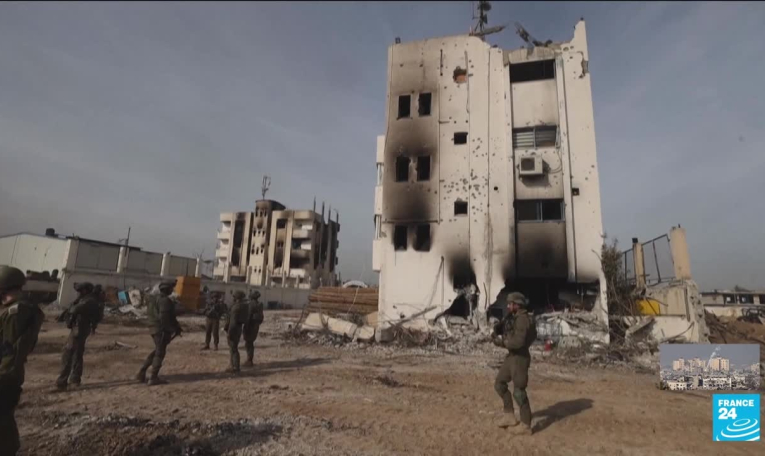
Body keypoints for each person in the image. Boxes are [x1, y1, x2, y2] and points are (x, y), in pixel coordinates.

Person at [0, 266, 44, 456]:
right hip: (9, 374)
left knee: (3, 420)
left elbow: (11, 351)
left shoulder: (16, 313)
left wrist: (3, 378)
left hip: (5, 376)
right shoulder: (18, 309)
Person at [492, 292, 537, 435]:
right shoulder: (513, 317)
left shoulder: (523, 320)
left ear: (517, 305)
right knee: (499, 384)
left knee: (519, 392)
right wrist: (498, 329)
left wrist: (502, 343)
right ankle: (509, 416)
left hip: (520, 358)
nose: (508, 306)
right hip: (511, 357)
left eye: (510, 304)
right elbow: (508, 330)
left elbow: (518, 342)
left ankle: (525, 425)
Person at [56, 282, 100, 390]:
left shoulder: (89, 300)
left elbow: (74, 309)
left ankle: (62, 382)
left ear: (85, 291)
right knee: (77, 353)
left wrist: (73, 305)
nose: (78, 293)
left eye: (80, 291)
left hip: (80, 329)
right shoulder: (86, 299)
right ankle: (75, 379)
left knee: (68, 353)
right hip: (79, 328)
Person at [136, 280, 181, 386]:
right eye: (171, 288)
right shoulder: (165, 301)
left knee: (158, 350)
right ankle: (153, 377)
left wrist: (175, 327)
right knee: (160, 352)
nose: (172, 290)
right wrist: (171, 329)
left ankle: (142, 372)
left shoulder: (153, 299)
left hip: (153, 328)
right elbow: (164, 317)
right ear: (167, 290)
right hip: (161, 329)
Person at [223, 290, 247, 373]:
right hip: (238, 328)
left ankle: (235, 367)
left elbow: (232, 322)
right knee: (233, 348)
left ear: (236, 298)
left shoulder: (236, 308)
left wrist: (229, 332)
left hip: (233, 329)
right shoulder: (243, 306)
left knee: (233, 349)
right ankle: (233, 365)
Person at [243, 290, 264, 368]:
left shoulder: (251, 304)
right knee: (250, 342)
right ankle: (249, 359)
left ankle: (249, 360)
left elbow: (248, 316)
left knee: (248, 343)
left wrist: (246, 326)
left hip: (250, 325)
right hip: (256, 325)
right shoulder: (260, 304)